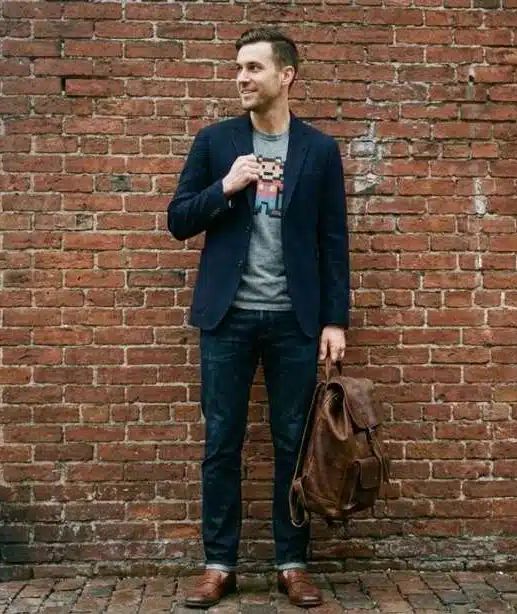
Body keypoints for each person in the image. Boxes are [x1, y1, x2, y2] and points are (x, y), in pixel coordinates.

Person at [166, 26, 350, 609]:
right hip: (228, 320)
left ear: (285, 76)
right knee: (221, 442)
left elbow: (333, 243)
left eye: (253, 68)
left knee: (293, 443)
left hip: (295, 322)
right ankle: (219, 565)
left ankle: (291, 562)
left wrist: (334, 321)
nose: (242, 78)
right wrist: (227, 185)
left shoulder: (319, 150)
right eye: (238, 68)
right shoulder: (216, 142)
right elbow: (178, 219)